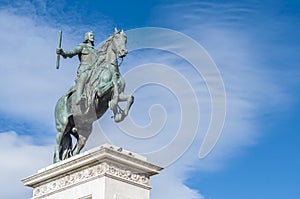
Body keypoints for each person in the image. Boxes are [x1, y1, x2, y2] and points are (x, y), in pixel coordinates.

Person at [56, 31, 98, 105]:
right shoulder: (82, 47)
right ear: (87, 37)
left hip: (94, 70)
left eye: (93, 35)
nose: (93, 37)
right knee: (84, 76)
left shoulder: (95, 51)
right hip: (85, 69)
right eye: (91, 35)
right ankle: (79, 97)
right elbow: (72, 53)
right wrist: (63, 52)